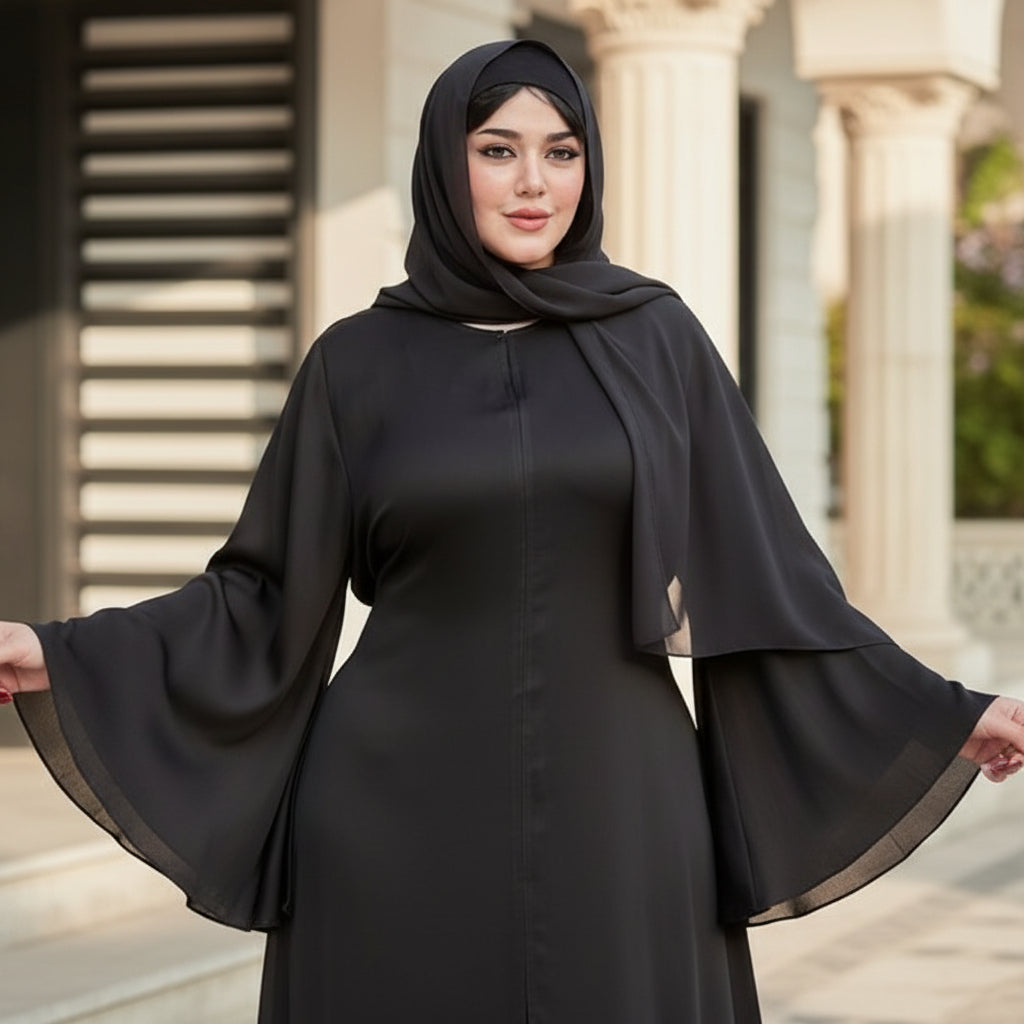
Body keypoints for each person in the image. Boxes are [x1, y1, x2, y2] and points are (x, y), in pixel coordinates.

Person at [1, 38, 1023, 1023]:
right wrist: (58, 653)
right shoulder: (356, 364)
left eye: (560, 151)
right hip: (390, 811)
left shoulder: (655, 338)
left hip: (620, 807)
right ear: (446, 168)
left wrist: (942, 713)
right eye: (497, 150)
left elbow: (772, 581)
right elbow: (258, 593)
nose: (534, 182)